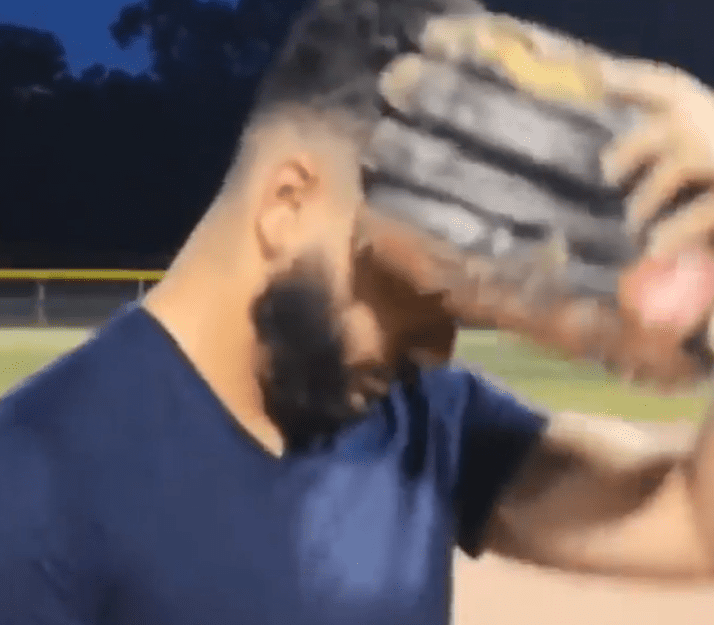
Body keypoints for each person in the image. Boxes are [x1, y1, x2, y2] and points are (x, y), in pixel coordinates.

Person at [0, 2, 713, 624]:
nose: (437, 349)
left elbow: (693, 521)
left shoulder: (423, 420)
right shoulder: (39, 473)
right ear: (286, 204)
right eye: (405, 296)